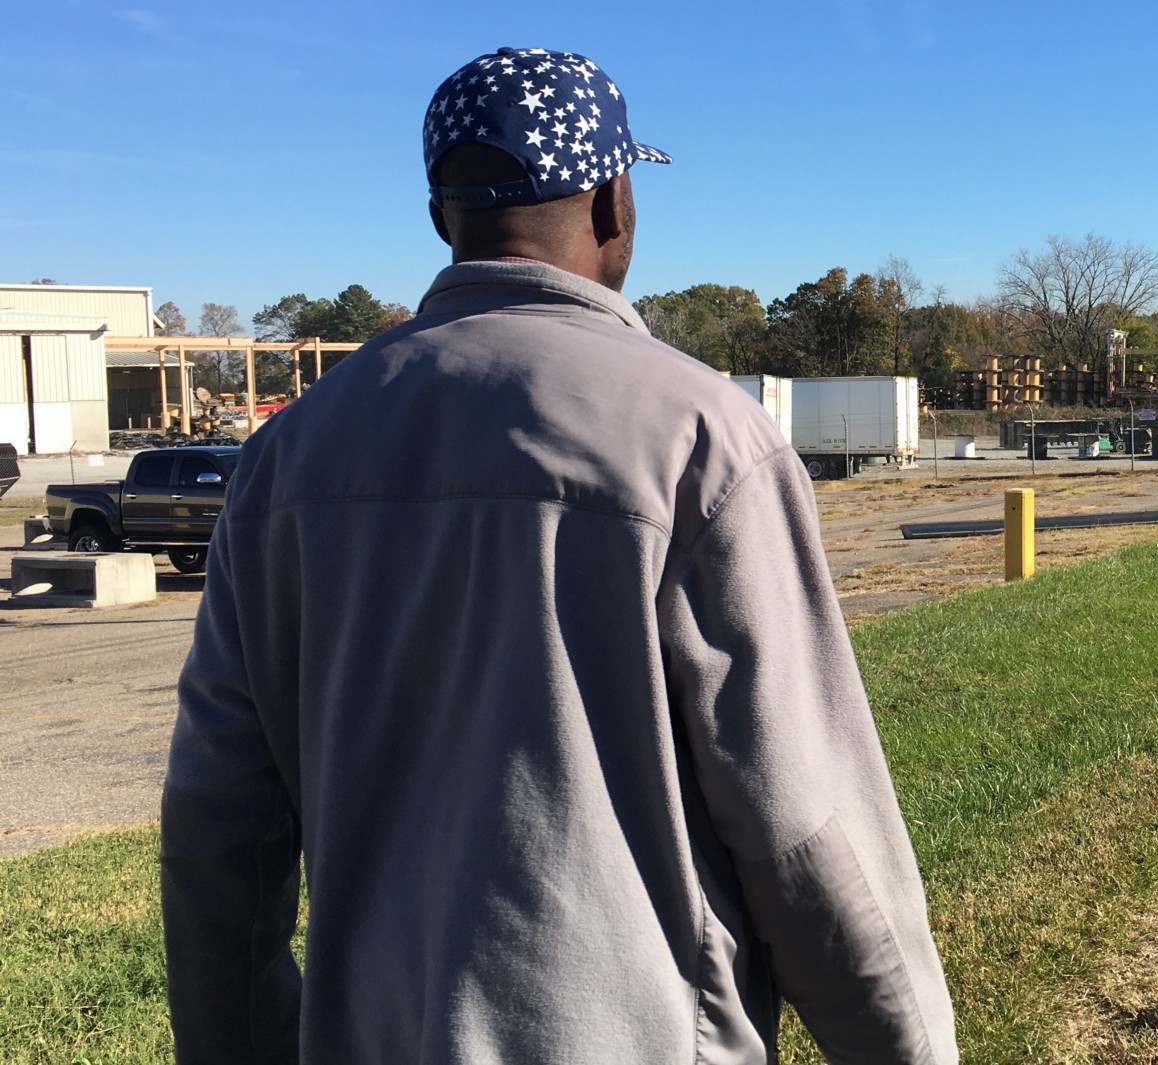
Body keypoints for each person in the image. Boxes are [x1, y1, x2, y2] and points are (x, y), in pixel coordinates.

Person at [160, 47, 955, 1064]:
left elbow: (220, 828)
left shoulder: (283, 460)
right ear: (615, 203)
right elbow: (807, 828)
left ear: (443, 217)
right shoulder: (701, 438)